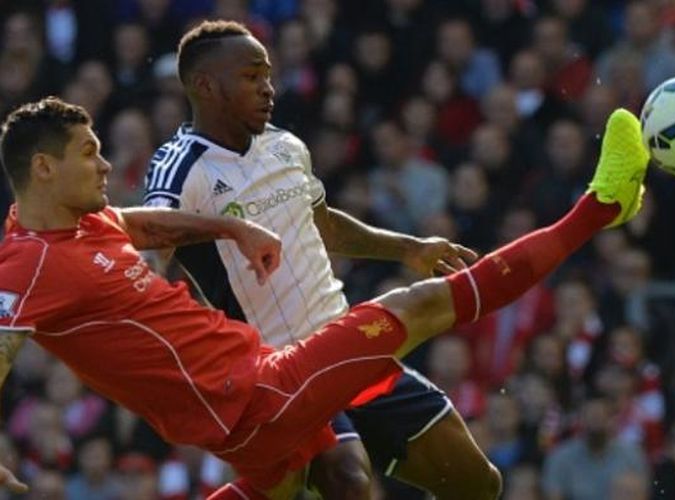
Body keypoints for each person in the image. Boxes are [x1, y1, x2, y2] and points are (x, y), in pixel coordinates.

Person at [0, 96, 648, 499]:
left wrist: (230, 226)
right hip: (254, 393)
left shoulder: (74, 222)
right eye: (89, 155)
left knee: (325, 485)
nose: (106, 167)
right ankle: (600, 209)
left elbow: (135, 223)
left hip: (236, 405)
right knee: (419, 305)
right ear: (44, 168)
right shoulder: (25, 266)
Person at [143, 20, 479, 499]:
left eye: (268, 75)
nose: (268, 89)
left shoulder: (286, 146)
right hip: (280, 373)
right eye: (251, 76)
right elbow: (152, 236)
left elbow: (324, 225)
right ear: (205, 85)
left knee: (476, 484)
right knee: (348, 480)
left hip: (347, 344)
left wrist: (410, 248)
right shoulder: (181, 165)